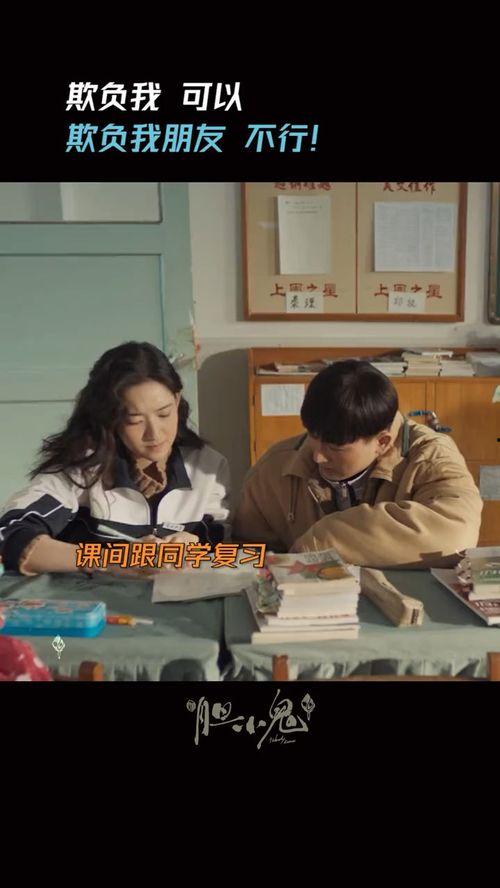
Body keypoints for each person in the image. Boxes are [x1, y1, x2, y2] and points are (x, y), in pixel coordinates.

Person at [0, 342, 230, 577]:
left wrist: (193, 545)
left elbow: (222, 544)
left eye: (164, 413)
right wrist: (114, 560)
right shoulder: (82, 467)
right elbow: (11, 533)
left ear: (177, 401)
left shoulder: (207, 467)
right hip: (87, 598)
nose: (155, 433)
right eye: (134, 420)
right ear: (110, 417)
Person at [233, 360, 482, 569]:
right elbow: (246, 552)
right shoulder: (277, 466)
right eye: (312, 436)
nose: (317, 456)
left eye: (334, 447)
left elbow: (456, 535)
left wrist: (324, 540)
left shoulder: (430, 456)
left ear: (382, 442)